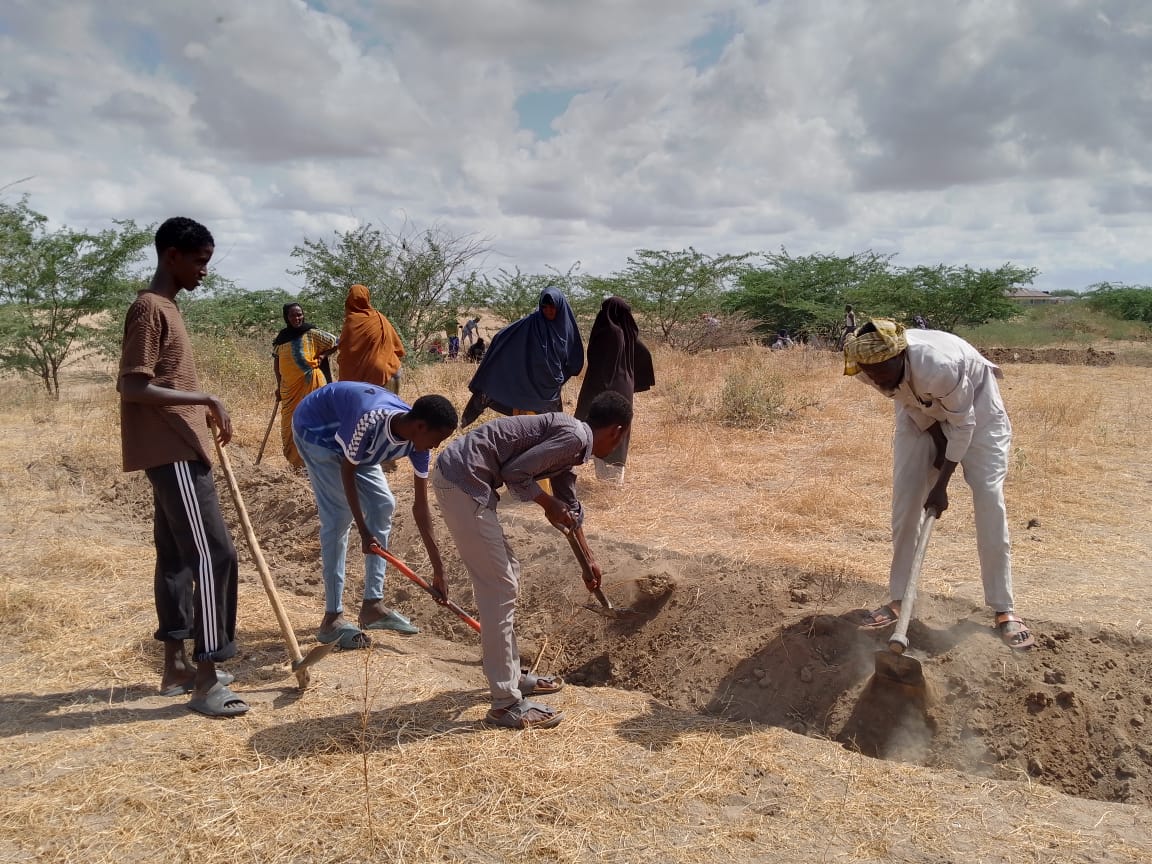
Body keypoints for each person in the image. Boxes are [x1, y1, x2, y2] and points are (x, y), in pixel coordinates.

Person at [432, 391, 633, 729]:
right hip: (464, 480)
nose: (617, 447)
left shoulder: (574, 445)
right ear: (616, 430)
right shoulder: (574, 437)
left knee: (505, 576)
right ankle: (505, 704)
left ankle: (510, 679)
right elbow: (516, 472)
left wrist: (589, 559)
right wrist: (545, 503)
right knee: (499, 587)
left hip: (463, 480)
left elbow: (568, 508)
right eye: (622, 438)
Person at [118, 217, 247, 717]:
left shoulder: (167, 307)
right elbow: (132, 386)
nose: (204, 272)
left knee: (175, 558)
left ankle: (175, 667)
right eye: (198, 261)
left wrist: (199, 408)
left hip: (175, 448)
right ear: (171, 255)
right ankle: (210, 673)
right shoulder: (150, 308)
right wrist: (206, 398)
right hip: (172, 452)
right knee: (216, 557)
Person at [844, 319, 1034, 650]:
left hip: (977, 410)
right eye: (871, 374)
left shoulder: (938, 365)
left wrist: (941, 485)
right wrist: (936, 445)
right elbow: (907, 400)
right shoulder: (867, 366)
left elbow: (963, 427)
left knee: (989, 498)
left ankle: (1004, 609)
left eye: (883, 373)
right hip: (919, 414)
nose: (877, 381)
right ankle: (901, 599)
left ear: (901, 356)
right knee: (906, 505)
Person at [292, 381, 458, 648]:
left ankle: (372, 606)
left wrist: (439, 570)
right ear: (420, 427)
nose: (436, 446)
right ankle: (331, 620)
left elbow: (421, 507)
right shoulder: (368, 422)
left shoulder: (417, 444)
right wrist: (365, 532)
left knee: (383, 505)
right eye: (437, 439)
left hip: (355, 446)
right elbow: (348, 470)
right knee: (338, 517)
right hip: (317, 431)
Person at [459, 287, 584, 427]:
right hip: (529, 382)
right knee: (525, 425)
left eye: (552, 307)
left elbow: (573, 356)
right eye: (545, 307)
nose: (549, 311)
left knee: (552, 426)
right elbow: (503, 336)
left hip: (551, 386)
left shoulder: (566, 328)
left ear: (560, 307)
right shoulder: (531, 323)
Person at [573, 296, 655, 483]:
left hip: (602, 386)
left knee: (595, 426)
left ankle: (603, 475)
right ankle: (616, 478)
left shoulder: (607, 331)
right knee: (619, 430)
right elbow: (644, 354)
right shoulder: (629, 332)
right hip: (624, 387)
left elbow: (595, 356)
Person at [272, 303, 338, 468]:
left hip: (312, 384)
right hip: (289, 390)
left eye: (299, 314)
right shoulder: (281, 338)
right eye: (292, 315)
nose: (297, 318)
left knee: (315, 421)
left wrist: (323, 355)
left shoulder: (312, 333)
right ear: (286, 317)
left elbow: (337, 342)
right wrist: (279, 387)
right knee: (290, 426)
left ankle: (320, 463)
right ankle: (298, 464)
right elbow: (277, 363)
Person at [337, 284, 405, 394]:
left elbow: (345, 353)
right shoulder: (379, 317)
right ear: (367, 298)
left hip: (360, 382)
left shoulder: (351, 322)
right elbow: (398, 348)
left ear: (349, 300)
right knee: (390, 409)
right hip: (387, 371)